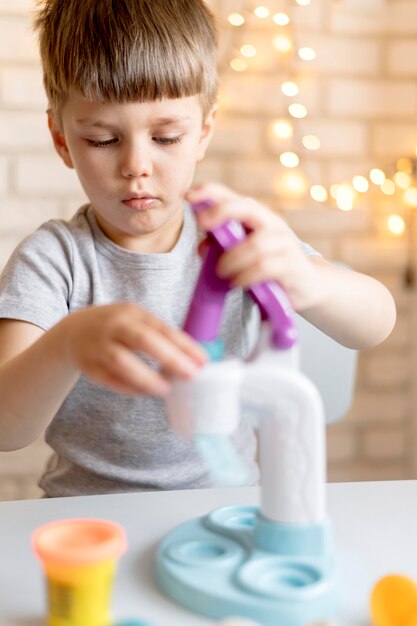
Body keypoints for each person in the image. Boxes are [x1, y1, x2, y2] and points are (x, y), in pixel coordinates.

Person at [0, 0, 396, 497]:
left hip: (224, 504)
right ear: (62, 141)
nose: (136, 165)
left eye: (166, 137)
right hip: (88, 517)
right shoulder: (53, 261)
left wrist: (306, 278)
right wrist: (68, 343)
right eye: (102, 140)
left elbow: (376, 324)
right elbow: (7, 431)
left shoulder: (234, 237)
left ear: (203, 133)